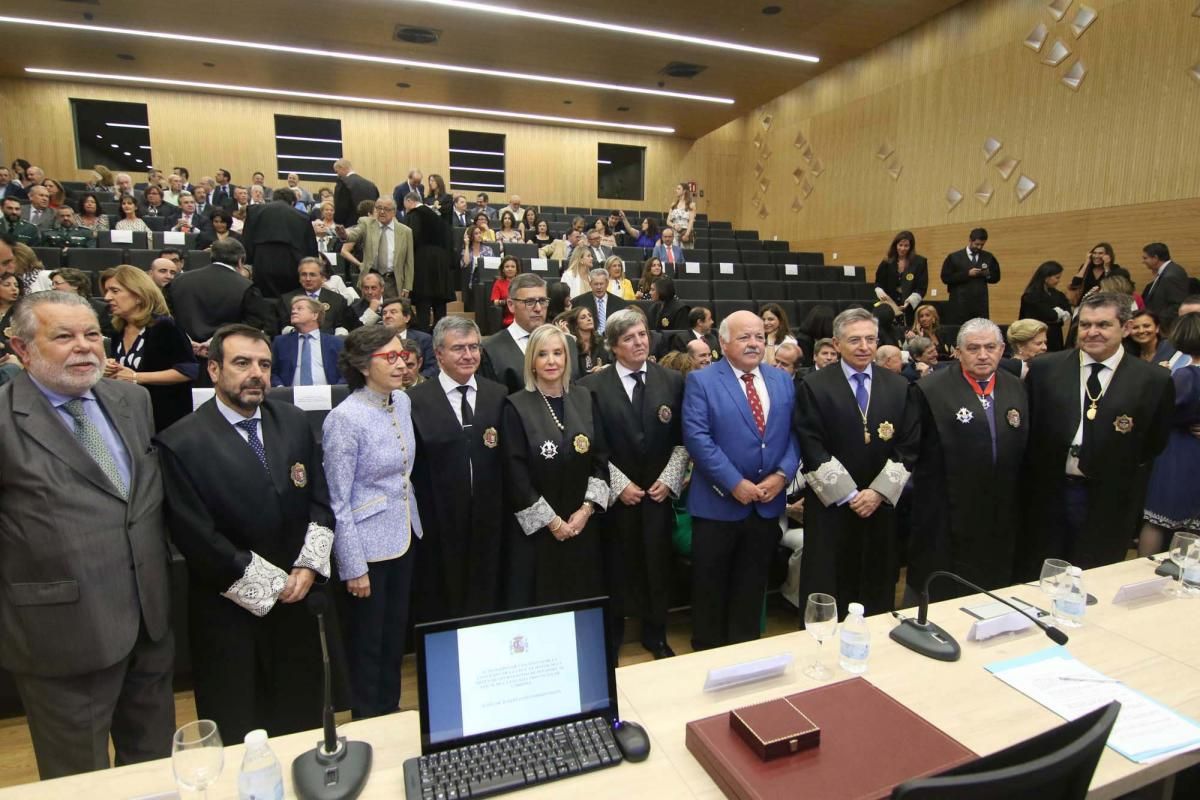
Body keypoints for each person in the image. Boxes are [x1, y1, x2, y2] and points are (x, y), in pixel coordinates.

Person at [0, 291, 174, 779]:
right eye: (64, 336)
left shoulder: (132, 399)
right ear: (21, 348)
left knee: (153, 769)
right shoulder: (4, 419)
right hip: (61, 637)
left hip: (149, 623)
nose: (85, 347)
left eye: (93, 334)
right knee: (78, 779)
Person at [155, 323, 334, 743]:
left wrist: (307, 568)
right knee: (241, 725)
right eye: (242, 363)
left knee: (301, 719)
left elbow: (321, 501)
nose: (256, 373)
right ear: (214, 370)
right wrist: (274, 584)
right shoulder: (181, 442)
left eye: (264, 364)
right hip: (229, 612)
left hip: (298, 603)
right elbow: (196, 535)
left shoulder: (290, 420)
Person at [1019, 293, 1174, 576]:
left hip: (1109, 499)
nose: (1092, 332)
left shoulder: (1153, 380)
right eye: (1085, 325)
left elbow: (1154, 441)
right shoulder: (1045, 369)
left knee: (1094, 576)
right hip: (1048, 495)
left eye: (1103, 324)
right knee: (1039, 573)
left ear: (1125, 327)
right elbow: (1029, 430)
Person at [320, 325, 421, 718]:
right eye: (390, 357)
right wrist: (352, 565)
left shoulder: (402, 402)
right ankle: (368, 718)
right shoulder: (345, 419)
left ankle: (390, 708)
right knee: (368, 644)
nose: (401, 363)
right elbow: (338, 501)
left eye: (402, 355)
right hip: (367, 548)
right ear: (364, 365)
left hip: (405, 535)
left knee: (394, 638)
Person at [682, 310, 798, 649]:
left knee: (751, 588)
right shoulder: (702, 381)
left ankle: (746, 654)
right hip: (718, 506)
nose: (754, 343)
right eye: (745, 337)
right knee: (711, 589)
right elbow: (698, 438)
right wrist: (735, 483)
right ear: (723, 341)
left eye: (759, 336)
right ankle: (707, 655)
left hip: (765, 506)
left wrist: (782, 475)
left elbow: (795, 434)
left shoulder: (781, 380)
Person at [794, 307, 919, 617]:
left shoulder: (899, 386)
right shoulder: (814, 385)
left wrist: (876, 493)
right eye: (855, 340)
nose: (864, 347)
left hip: (880, 508)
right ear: (836, 344)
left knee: (876, 583)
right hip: (832, 509)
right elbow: (811, 445)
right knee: (829, 586)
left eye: (870, 339)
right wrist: (851, 495)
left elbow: (909, 444)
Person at [581, 309, 687, 659]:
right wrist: (619, 484)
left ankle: (656, 634)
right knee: (615, 566)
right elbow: (592, 445)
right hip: (616, 499)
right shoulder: (591, 387)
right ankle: (611, 640)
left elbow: (683, 439)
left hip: (657, 495)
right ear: (613, 346)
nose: (639, 342)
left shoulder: (672, 380)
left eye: (642, 334)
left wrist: (669, 480)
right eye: (628, 338)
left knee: (658, 565)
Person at [908, 319, 1028, 601]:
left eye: (990, 347)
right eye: (973, 348)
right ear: (958, 352)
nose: (983, 355)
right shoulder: (929, 389)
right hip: (946, 507)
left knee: (994, 582)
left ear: (1002, 350)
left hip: (1001, 505)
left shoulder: (1017, 387)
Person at [502, 324, 610, 607]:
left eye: (558, 353)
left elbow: (600, 461)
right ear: (532, 362)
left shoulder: (585, 398)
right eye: (543, 354)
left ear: (567, 358)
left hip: (582, 526)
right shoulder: (515, 406)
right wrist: (552, 522)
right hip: (539, 536)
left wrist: (586, 511)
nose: (551, 361)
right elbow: (516, 476)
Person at [408, 317, 507, 620]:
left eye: (474, 347)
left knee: (488, 596)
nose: (468, 355)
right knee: (444, 600)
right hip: (439, 523)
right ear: (438, 355)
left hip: (490, 520)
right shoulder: (413, 401)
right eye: (458, 348)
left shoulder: (499, 395)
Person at [101, 266, 198, 431]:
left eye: (115, 291)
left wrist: (136, 377)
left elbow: (188, 370)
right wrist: (111, 367)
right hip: (131, 418)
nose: (107, 297)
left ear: (138, 295)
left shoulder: (164, 326)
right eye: (106, 291)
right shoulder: (119, 330)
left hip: (165, 421)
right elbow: (126, 370)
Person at [1140, 313, 1200, 554]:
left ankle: (1143, 571)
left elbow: (1161, 412)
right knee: (1192, 523)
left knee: (1158, 518)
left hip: (1178, 448)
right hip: (1189, 448)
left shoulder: (1186, 375)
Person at [167, 238, 275, 360]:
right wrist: (214, 341)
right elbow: (254, 323)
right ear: (240, 261)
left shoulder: (178, 281)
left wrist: (187, 340)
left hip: (181, 357)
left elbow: (167, 315)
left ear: (211, 256)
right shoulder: (247, 287)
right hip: (225, 357)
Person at [482, 273, 580, 393]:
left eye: (543, 301)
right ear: (511, 305)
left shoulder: (567, 342)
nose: (538, 308)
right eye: (529, 302)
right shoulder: (491, 349)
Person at [241, 188, 318, 299]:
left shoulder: (254, 211)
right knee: (288, 299)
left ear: (273, 198)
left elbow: (247, 239)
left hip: (262, 260)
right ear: (293, 202)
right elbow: (310, 247)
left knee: (264, 297)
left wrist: (248, 261)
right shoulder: (302, 217)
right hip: (291, 263)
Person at [341, 198, 414, 300]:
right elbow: (353, 235)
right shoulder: (366, 224)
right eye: (379, 208)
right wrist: (344, 234)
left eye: (386, 209)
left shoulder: (405, 231)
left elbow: (409, 261)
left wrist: (407, 287)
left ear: (393, 212)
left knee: (391, 312)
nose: (382, 212)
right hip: (371, 279)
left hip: (393, 281)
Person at [402, 192, 454, 331]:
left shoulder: (414, 215)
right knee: (440, 305)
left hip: (422, 262)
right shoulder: (437, 216)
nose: (405, 209)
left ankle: (423, 336)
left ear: (409, 201)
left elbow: (412, 238)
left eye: (405, 205)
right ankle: (441, 335)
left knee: (423, 302)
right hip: (441, 263)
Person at [271, 297, 346, 387]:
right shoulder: (280, 342)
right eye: (293, 309)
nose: (293, 312)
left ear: (315, 315)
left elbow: (347, 372)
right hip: (289, 397)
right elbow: (272, 372)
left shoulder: (336, 342)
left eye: (299, 308)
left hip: (329, 397)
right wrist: (280, 388)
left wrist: (335, 391)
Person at [940, 227, 1001, 323]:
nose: (979, 247)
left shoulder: (988, 257)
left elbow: (996, 277)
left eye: (982, 245)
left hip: (980, 305)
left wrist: (987, 274)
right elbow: (945, 278)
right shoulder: (954, 257)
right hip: (959, 305)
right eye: (977, 244)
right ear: (970, 240)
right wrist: (967, 274)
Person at [874, 230, 928, 327]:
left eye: (906, 246)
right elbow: (878, 283)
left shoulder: (920, 262)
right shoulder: (887, 262)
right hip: (890, 305)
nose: (903, 248)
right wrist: (880, 292)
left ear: (911, 247)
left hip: (910, 307)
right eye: (900, 245)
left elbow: (922, 287)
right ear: (896, 245)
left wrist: (910, 301)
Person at [1018, 261, 1071, 352]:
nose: (1058, 281)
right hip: (1036, 336)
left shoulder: (1057, 294)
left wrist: (1058, 314)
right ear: (1046, 277)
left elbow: (1068, 309)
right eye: (1056, 277)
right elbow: (1050, 315)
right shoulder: (1031, 296)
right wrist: (1058, 314)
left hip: (1055, 336)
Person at [380, 297, 437, 378]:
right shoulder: (376, 341)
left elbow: (433, 368)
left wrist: (414, 381)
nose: (387, 316)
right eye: (384, 313)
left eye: (393, 312)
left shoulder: (424, 339)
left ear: (406, 318)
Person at [1140, 242, 1189, 327]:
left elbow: (1177, 306)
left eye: (1145, 258)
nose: (1143, 262)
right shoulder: (1168, 271)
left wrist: (1156, 321)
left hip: (1166, 327)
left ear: (1155, 258)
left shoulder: (1171, 275)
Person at [573, 267, 628, 336]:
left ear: (607, 283)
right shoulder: (578, 302)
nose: (599, 287)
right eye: (596, 284)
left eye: (601, 284)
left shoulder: (620, 303)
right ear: (590, 284)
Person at [332, 158, 380, 227]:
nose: (337, 175)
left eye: (337, 172)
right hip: (371, 226)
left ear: (341, 168)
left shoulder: (343, 184)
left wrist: (338, 221)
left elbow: (341, 209)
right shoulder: (371, 185)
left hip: (352, 227)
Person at [565, 306, 608, 374]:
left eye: (590, 316)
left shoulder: (600, 341)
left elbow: (612, 363)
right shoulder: (572, 344)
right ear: (576, 324)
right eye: (583, 317)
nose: (589, 319)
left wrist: (603, 368)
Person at [490, 256, 519, 328]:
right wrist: (508, 302)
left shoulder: (522, 282)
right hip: (509, 317)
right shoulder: (499, 283)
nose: (510, 269)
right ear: (503, 269)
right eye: (507, 266)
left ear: (516, 269)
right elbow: (495, 301)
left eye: (513, 266)